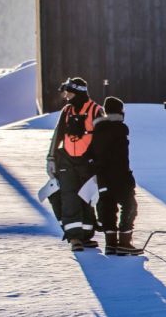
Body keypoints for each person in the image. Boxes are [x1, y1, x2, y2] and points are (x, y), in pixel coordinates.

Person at [45, 77, 103, 251]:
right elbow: (58, 135)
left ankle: (86, 235)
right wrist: (51, 158)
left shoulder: (96, 110)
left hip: (88, 162)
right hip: (67, 161)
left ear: (78, 93)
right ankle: (74, 238)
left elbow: (103, 139)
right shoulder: (67, 111)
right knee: (69, 197)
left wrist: (100, 162)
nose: (66, 96)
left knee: (86, 197)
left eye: (69, 93)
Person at [90, 96, 138, 255]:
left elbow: (91, 154)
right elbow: (121, 157)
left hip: (102, 177)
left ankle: (110, 244)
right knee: (130, 205)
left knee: (107, 208)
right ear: (120, 111)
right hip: (120, 176)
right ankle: (124, 243)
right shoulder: (120, 128)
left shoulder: (97, 130)